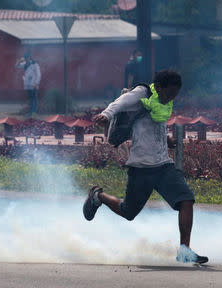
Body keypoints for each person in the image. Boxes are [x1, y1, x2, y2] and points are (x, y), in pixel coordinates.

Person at [85, 70, 208, 264]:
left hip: (163, 165)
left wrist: (166, 139)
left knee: (186, 200)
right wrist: (106, 115)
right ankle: (97, 196)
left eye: (175, 96)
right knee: (128, 212)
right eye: (169, 94)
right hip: (142, 167)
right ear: (158, 87)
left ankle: (184, 250)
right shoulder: (141, 94)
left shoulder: (161, 102)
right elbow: (120, 103)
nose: (170, 99)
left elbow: (156, 126)